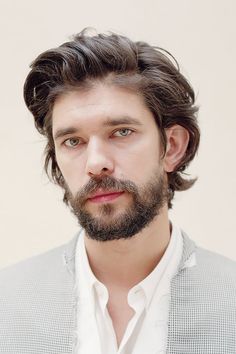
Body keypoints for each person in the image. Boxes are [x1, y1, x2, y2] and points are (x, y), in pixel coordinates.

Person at [0, 29, 235, 354]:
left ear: (173, 147)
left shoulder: (229, 303)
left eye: (121, 132)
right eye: (72, 141)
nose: (96, 163)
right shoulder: (8, 304)